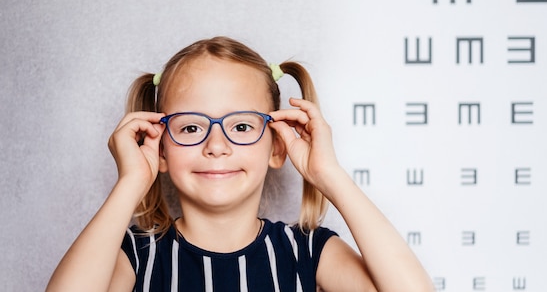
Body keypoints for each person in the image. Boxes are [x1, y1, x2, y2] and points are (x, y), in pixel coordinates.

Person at [46, 36, 433, 292]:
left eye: (242, 125)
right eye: (192, 126)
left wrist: (329, 176)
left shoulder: (307, 252)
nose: (217, 145)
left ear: (277, 145)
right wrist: (131, 182)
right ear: (161, 148)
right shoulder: (137, 255)